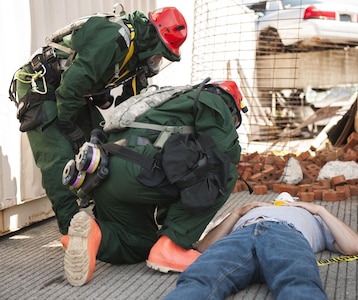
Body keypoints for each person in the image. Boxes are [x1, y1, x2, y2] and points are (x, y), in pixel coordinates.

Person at [9, 6, 187, 237]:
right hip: (41, 86)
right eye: (160, 53)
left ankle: (109, 223)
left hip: (72, 92)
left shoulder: (137, 56)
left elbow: (131, 108)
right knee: (59, 157)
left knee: (101, 150)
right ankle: (72, 233)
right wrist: (67, 127)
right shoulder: (114, 39)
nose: (158, 60)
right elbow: (69, 89)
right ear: (152, 38)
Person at [61, 79, 249, 286]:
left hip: (102, 174)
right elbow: (225, 151)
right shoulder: (214, 99)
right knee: (224, 169)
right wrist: (181, 232)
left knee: (139, 242)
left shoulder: (166, 101)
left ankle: (95, 234)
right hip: (139, 168)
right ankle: (172, 247)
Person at [164, 195, 358, 300]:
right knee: (199, 278)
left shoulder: (311, 216)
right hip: (241, 235)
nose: (281, 200)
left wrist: (319, 211)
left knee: (298, 282)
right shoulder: (246, 213)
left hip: (286, 235)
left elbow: (355, 246)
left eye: (289, 199)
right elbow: (204, 248)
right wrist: (236, 213)